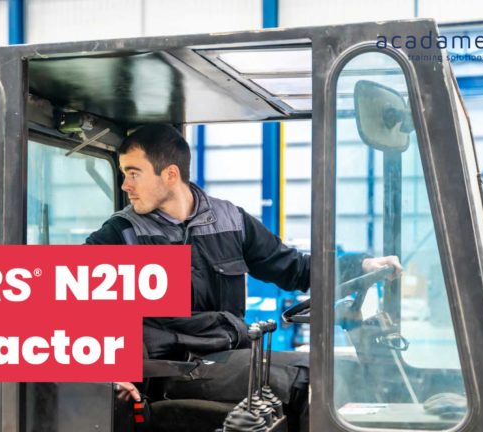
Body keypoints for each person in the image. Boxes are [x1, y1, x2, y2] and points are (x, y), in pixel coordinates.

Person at [85, 124, 402, 430]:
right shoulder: (121, 235)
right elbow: (69, 298)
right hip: (174, 366)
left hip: (231, 354)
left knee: (336, 369)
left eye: (133, 173)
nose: (125, 185)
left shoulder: (230, 220)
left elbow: (293, 267)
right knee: (313, 379)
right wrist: (107, 371)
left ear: (169, 175)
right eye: (124, 173)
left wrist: (360, 266)